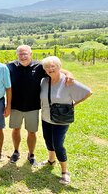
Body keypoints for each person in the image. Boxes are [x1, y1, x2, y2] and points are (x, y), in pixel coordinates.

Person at [7, 45, 74, 165]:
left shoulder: (39, 67)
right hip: (15, 107)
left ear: (30, 54)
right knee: (16, 129)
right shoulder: (10, 66)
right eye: (20, 54)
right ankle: (16, 151)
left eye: (25, 53)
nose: (23, 56)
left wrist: (69, 74)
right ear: (17, 55)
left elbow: (57, 70)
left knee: (31, 132)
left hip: (33, 107)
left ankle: (31, 154)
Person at [40, 56, 92, 185]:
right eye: (47, 67)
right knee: (48, 140)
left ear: (59, 67)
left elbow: (88, 92)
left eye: (53, 66)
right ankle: (51, 160)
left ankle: (65, 172)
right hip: (46, 117)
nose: (50, 69)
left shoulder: (68, 81)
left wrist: (72, 105)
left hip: (61, 120)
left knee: (58, 144)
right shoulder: (44, 81)